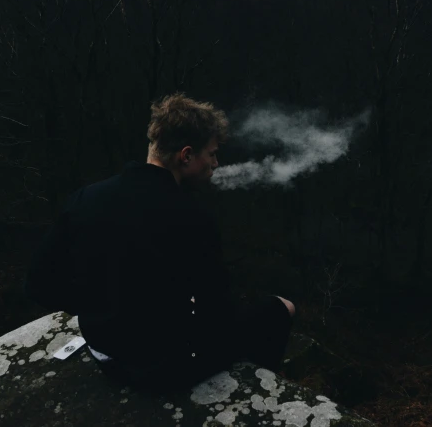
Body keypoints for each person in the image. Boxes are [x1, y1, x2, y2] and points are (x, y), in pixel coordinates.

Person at [24, 93, 295, 393]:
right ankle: (253, 394)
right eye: (212, 154)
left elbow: (38, 284)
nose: (216, 163)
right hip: (161, 369)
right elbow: (219, 316)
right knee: (282, 308)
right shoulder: (192, 217)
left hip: (104, 355)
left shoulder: (86, 197)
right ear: (187, 155)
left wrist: (100, 308)